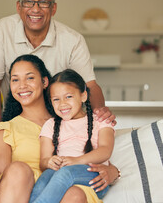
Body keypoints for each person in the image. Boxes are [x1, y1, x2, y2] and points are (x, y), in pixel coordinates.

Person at [0, 0, 116, 125]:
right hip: (14, 118)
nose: (35, 9)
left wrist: (100, 114)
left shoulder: (73, 40)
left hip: (60, 121)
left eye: (43, 2)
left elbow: (90, 85)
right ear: (18, 7)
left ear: (53, 8)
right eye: (28, 2)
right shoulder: (3, 29)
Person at [0, 55, 119, 203]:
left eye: (29, 78)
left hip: (78, 186)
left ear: (44, 82)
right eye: (15, 79)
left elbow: (102, 151)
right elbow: (1, 177)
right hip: (32, 190)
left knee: (72, 191)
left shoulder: (87, 120)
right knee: (37, 172)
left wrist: (114, 172)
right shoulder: (10, 130)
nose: (22, 85)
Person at [29, 69, 114, 203]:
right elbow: (43, 161)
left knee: (66, 173)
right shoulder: (50, 125)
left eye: (69, 96)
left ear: (83, 96)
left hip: (94, 177)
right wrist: (49, 162)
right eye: (56, 99)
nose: (62, 103)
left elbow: (105, 150)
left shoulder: (100, 120)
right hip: (61, 175)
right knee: (45, 177)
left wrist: (77, 160)